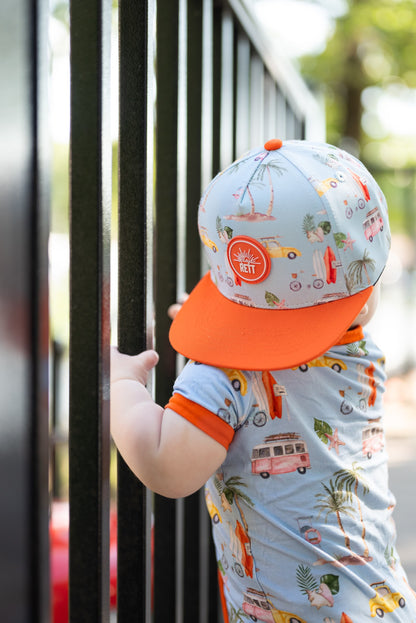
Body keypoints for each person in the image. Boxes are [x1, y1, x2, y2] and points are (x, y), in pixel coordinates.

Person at [111, 139, 416, 621]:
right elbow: (291, 368)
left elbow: (166, 466)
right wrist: (223, 341)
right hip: (383, 603)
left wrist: (122, 387)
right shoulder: (360, 350)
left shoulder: (219, 377)